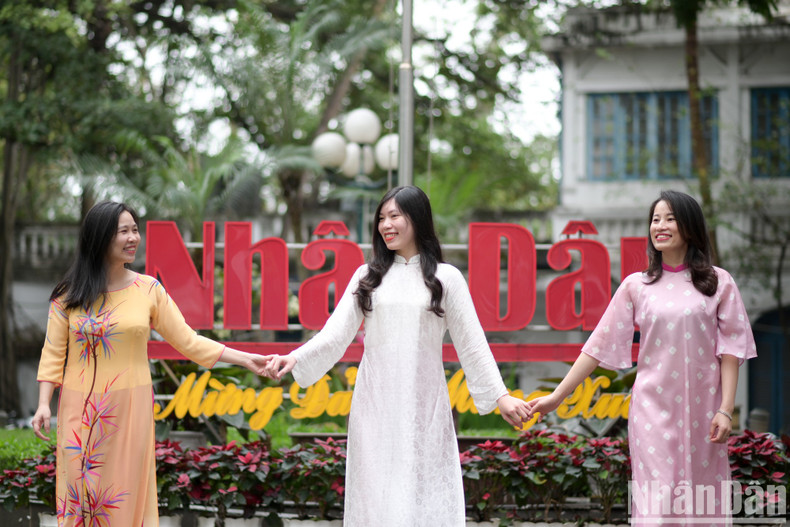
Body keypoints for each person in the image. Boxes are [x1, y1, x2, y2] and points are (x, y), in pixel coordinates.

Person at [263, 185, 529, 526]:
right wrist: (295, 358)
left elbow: (472, 343)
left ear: (417, 219)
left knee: (422, 490)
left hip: (424, 405)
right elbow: (335, 334)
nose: (386, 225)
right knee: (376, 494)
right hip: (375, 405)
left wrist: (500, 397)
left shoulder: (445, 279)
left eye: (394, 216)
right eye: (381, 218)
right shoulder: (368, 277)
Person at [31, 201, 270, 527]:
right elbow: (53, 353)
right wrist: (44, 404)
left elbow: (189, 341)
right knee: (81, 493)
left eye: (135, 230)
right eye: (123, 231)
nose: (133, 238)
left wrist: (247, 359)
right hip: (79, 409)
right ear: (100, 237)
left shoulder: (148, 290)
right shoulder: (68, 295)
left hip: (130, 409)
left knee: (124, 494)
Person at [525, 190, 756, 526]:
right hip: (651, 410)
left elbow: (731, 351)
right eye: (655, 219)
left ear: (689, 226)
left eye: (669, 218)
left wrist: (726, 408)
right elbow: (597, 345)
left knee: (701, 497)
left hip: (703, 410)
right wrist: (558, 396)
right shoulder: (637, 286)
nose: (659, 226)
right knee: (658, 499)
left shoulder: (719, 283)